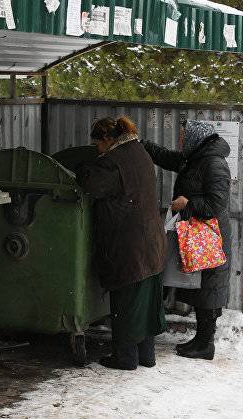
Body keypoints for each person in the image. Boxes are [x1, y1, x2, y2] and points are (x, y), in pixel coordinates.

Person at [76, 116, 167, 370]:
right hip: (151, 241)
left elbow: (89, 184)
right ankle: (146, 355)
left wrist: (83, 166)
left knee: (126, 301)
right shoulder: (138, 151)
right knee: (146, 301)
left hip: (130, 244)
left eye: (98, 144)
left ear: (108, 139)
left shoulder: (113, 162)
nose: (97, 149)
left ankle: (125, 357)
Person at [141, 120, 232, 360]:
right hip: (199, 234)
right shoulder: (197, 158)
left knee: (209, 288)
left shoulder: (214, 164)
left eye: (184, 137)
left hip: (210, 236)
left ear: (196, 139)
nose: (181, 141)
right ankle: (202, 341)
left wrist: (187, 204)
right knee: (203, 288)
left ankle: (205, 344)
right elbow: (170, 158)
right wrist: (142, 144)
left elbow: (216, 204)